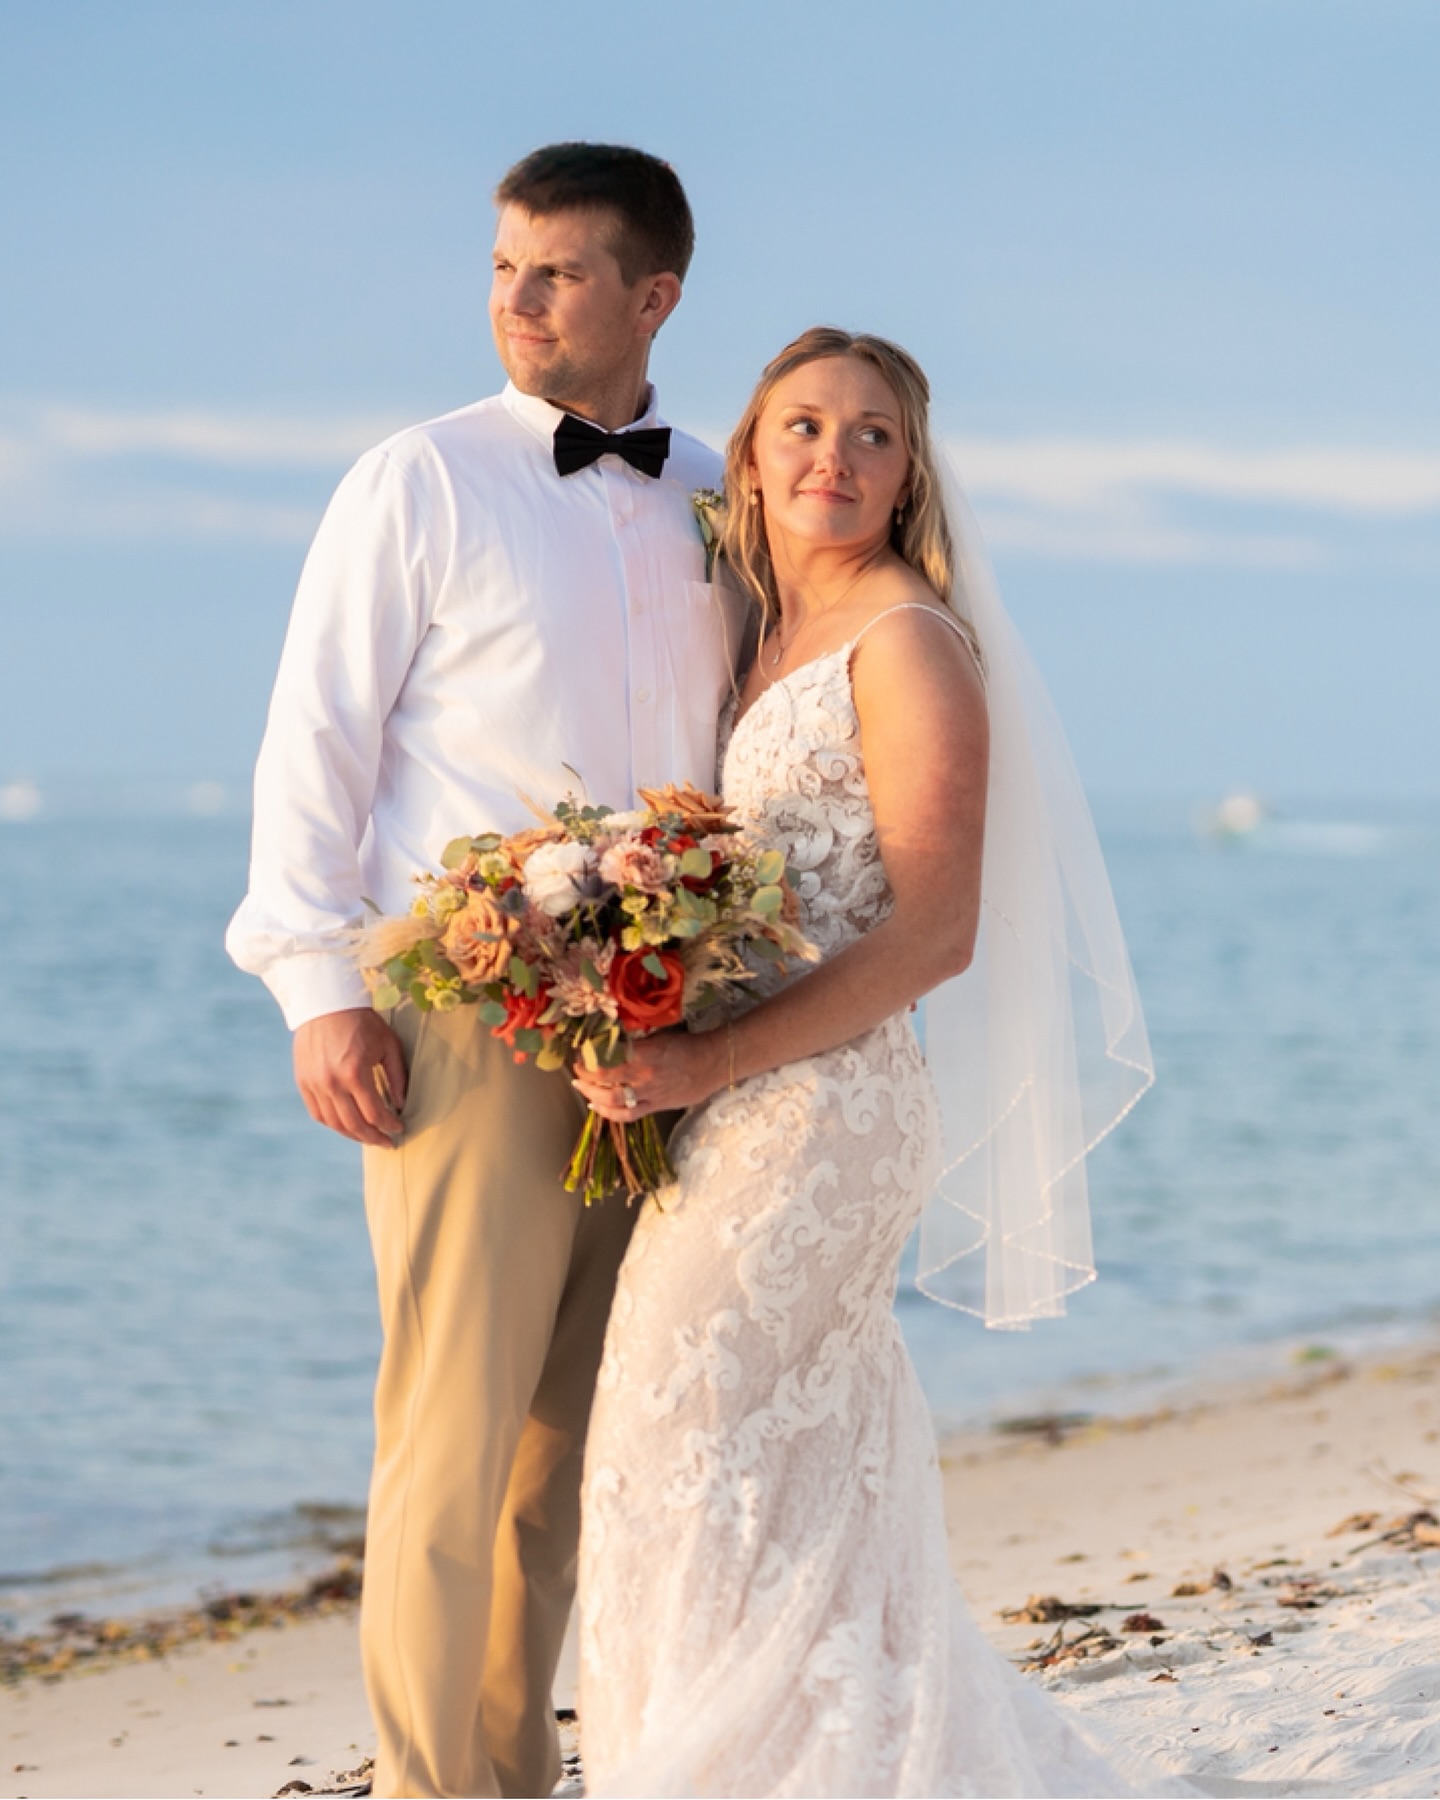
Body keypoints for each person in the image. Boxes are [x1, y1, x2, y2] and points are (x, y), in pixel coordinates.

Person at [572, 328, 1165, 1796]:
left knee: (694, 1431)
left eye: (873, 435)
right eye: (804, 427)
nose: (834, 457)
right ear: (755, 455)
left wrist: (710, 1067)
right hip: (736, 1090)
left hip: (823, 1112)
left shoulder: (907, 645)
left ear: (910, 476)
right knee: (754, 1457)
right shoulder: (760, 626)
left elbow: (936, 934)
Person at [226, 143, 740, 1799]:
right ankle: (430, 1781)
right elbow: (317, 741)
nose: (517, 300)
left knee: (570, 1450)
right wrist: (319, 989)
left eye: (560, 272)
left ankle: (515, 1778)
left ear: (654, 297)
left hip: (668, 1026)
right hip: (463, 1010)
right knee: (449, 1435)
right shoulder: (417, 479)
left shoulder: (720, 490)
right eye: (505, 267)